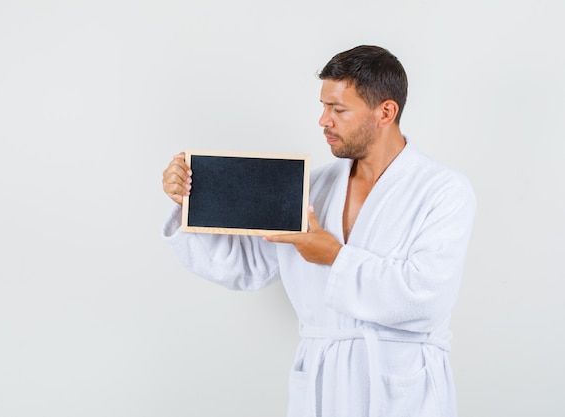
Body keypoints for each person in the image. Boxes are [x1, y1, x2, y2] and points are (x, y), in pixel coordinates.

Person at [161, 45, 476, 417]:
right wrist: (190, 201)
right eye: (324, 106)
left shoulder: (442, 190)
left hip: (398, 383)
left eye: (338, 109)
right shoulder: (311, 188)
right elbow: (246, 268)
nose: (323, 120)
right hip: (322, 382)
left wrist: (335, 256)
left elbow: (425, 297)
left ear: (385, 112)